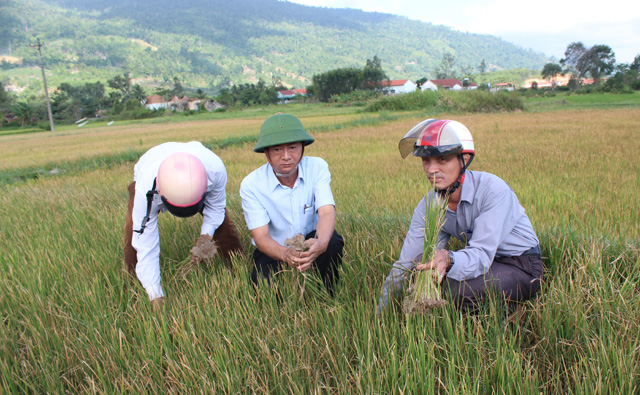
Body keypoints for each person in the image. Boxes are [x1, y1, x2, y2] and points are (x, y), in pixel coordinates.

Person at [378, 119, 543, 312]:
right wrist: (382, 311)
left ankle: (500, 322)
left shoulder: (493, 191)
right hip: (487, 266)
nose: (432, 170)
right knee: (419, 277)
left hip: (519, 264)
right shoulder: (430, 204)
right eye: (426, 160)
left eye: (442, 159)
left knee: (452, 289)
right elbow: (406, 262)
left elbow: (481, 254)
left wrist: (448, 259)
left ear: (463, 160)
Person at [124, 141, 244, 309]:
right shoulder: (146, 189)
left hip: (198, 179)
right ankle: (136, 286)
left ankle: (240, 269)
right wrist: (156, 295)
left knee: (223, 226)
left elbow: (215, 208)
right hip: (151, 176)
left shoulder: (215, 170)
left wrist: (206, 237)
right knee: (133, 234)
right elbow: (145, 243)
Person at [240, 113, 344, 296]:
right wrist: (285, 254)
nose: (286, 156)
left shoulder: (317, 168)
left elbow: (326, 212)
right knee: (263, 292)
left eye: (293, 147)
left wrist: (322, 242)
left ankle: (327, 294)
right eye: (278, 149)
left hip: (310, 240)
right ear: (267, 153)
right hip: (275, 248)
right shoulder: (251, 185)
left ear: (303, 148)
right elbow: (261, 236)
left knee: (333, 242)